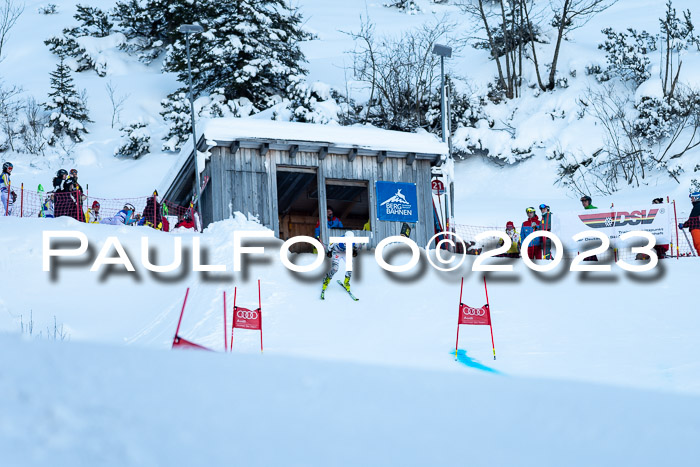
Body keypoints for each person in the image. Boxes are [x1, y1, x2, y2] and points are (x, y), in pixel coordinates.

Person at [321, 230, 359, 297]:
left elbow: (355, 246)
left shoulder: (353, 241)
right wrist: (329, 252)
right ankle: (327, 279)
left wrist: (355, 251)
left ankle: (346, 282)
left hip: (346, 253)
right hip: (337, 253)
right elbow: (330, 245)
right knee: (335, 268)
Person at [679, 191, 700, 256]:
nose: (691, 199)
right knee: (696, 245)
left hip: (697, 228)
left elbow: (692, 219)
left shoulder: (698, 207)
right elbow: (692, 219)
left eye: (692, 198)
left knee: (698, 244)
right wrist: (684, 225)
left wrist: (684, 225)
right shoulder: (696, 206)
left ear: (697, 198)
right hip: (695, 228)